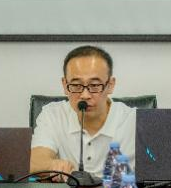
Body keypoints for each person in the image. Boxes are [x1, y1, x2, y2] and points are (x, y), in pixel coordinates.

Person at [30, 45, 135, 180]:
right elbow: (34, 161)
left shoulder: (136, 121)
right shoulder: (53, 115)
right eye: (76, 85)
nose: (85, 95)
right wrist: (52, 165)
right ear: (65, 85)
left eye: (94, 85)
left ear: (110, 85)